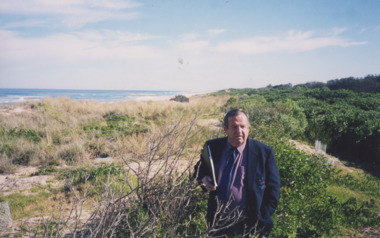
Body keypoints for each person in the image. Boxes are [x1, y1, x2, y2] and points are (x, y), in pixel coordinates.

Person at [194, 109, 280, 237]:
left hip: (250, 224)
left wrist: (262, 216)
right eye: (234, 127)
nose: (239, 131)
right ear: (225, 129)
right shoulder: (213, 147)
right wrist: (203, 179)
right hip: (217, 221)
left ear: (249, 128)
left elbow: (274, 188)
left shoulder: (263, 152)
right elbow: (199, 169)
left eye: (243, 127)